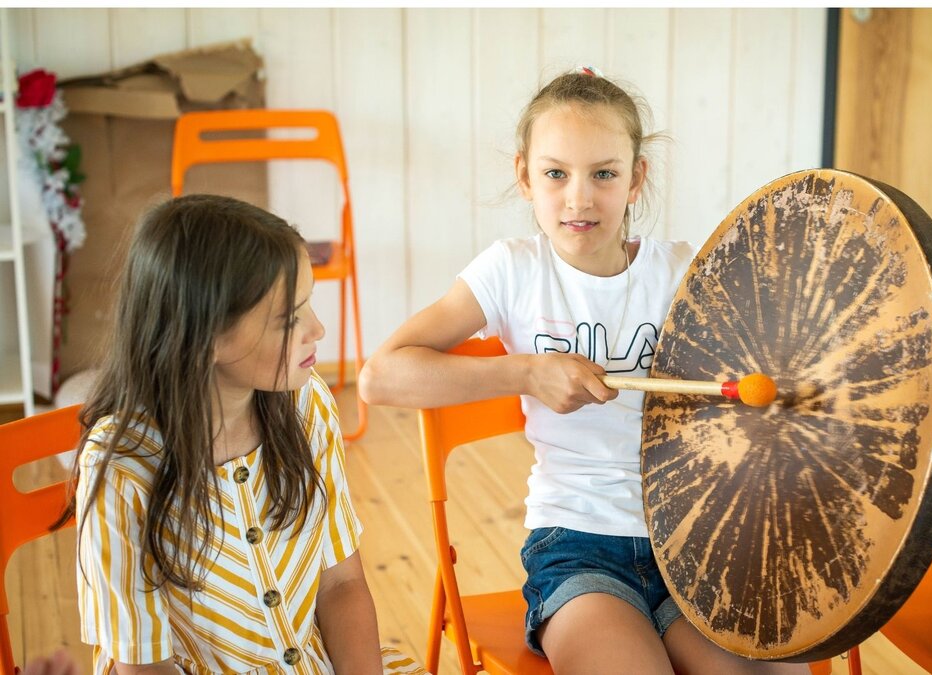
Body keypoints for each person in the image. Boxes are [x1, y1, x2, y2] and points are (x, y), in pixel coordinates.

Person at [359, 69, 807, 674]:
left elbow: (774, 373)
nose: (579, 198)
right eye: (555, 173)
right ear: (524, 176)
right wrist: (526, 374)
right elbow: (380, 376)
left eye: (604, 173)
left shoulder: (683, 270)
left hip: (698, 534)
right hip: (577, 546)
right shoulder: (511, 271)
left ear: (635, 179)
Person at [67, 195, 425, 675]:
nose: (317, 329)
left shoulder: (307, 403)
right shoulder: (120, 469)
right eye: (289, 318)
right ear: (207, 335)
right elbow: (144, 667)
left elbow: (340, 584)